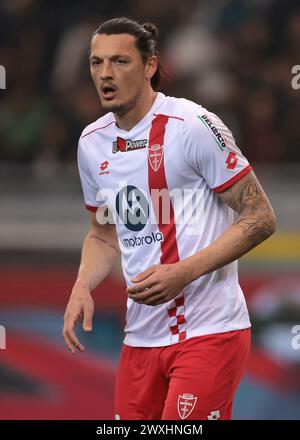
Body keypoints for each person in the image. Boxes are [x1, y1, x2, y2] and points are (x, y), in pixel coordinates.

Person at [62, 17, 276, 420]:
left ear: (150, 66)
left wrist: (183, 273)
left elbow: (260, 217)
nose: (105, 74)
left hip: (210, 331)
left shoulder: (193, 126)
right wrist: (81, 287)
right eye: (96, 63)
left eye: (120, 61)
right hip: (141, 338)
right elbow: (103, 234)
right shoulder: (91, 144)